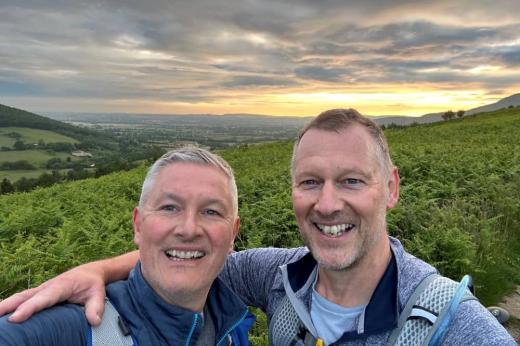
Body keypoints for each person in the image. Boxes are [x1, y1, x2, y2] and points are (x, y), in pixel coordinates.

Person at [0, 109, 515, 345]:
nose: (328, 203)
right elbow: (193, 261)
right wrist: (94, 270)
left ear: (392, 188)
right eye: (310, 181)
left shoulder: (450, 323)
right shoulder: (278, 276)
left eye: (353, 180)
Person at [0, 147, 254, 345]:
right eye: (169, 208)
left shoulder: (231, 323)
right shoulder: (76, 327)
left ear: (233, 233)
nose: (188, 229)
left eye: (211, 211)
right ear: (139, 225)